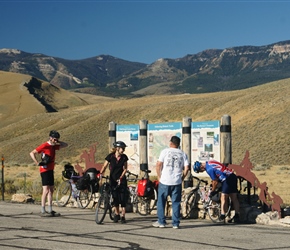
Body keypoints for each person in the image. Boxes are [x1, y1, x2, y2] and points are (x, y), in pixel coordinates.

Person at [152, 136, 189, 229]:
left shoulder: (165, 151)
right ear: (178, 144)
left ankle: (161, 222)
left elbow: (158, 164)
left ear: (171, 143)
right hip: (176, 181)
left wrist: (159, 176)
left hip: (165, 180)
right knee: (176, 202)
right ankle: (175, 223)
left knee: (161, 202)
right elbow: (187, 167)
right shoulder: (183, 153)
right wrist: (182, 177)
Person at [30, 130, 68, 217]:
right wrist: (36, 162)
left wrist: (57, 142)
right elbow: (32, 153)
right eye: (54, 139)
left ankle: (50, 209)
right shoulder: (45, 145)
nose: (56, 141)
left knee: (51, 190)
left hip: (51, 169)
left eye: (57, 139)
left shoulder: (53, 146)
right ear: (50, 138)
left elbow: (66, 145)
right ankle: (43, 209)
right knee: (46, 190)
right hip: (45, 170)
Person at [99, 141, 129, 223]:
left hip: (121, 179)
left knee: (122, 197)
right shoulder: (110, 156)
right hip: (112, 179)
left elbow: (125, 168)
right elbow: (104, 166)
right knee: (115, 197)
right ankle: (117, 214)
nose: (123, 150)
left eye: (124, 148)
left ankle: (123, 216)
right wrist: (101, 174)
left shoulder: (124, 157)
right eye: (122, 148)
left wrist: (121, 177)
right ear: (117, 148)